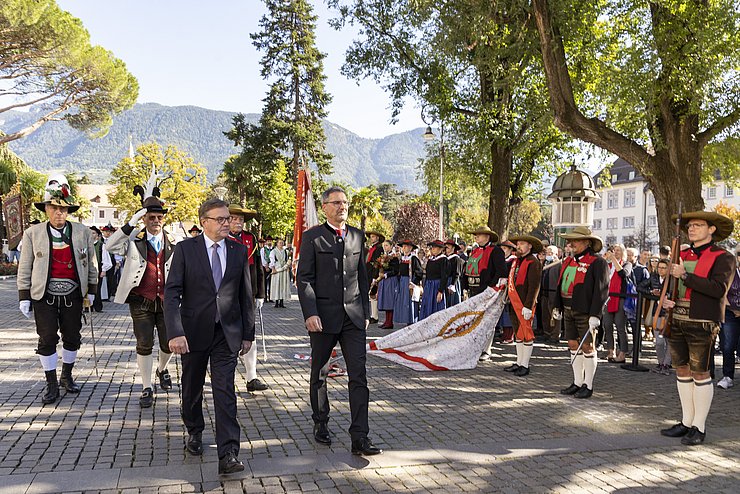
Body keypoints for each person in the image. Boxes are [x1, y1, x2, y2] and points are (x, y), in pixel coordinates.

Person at [165, 198, 255, 474]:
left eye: (228, 218)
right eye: (221, 219)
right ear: (204, 222)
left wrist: (248, 334)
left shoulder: (238, 251)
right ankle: (194, 429)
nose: (227, 223)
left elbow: (245, 295)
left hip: (226, 333)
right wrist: (176, 332)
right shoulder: (185, 250)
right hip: (192, 333)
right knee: (191, 386)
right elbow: (171, 293)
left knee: (225, 390)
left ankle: (228, 452)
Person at [297, 186, 381, 456]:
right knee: (320, 374)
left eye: (345, 202)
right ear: (325, 207)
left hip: (353, 319)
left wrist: (366, 311)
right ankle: (321, 423)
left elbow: (362, 277)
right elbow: (304, 279)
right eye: (336, 203)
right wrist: (310, 313)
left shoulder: (357, 236)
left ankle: (360, 436)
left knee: (359, 376)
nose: (342, 206)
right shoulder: (312, 237)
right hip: (323, 318)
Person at [17, 175, 98, 404]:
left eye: (62, 209)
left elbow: (92, 263)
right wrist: (24, 296)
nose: (58, 213)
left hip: (73, 294)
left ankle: (67, 375)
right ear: (46, 209)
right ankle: (51, 383)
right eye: (53, 208)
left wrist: (91, 289)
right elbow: (25, 266)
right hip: (44, 295)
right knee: (47, 338)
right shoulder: (33, 234)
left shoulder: (82, 232)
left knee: (72, 337)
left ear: (68, 210)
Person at [659, 211, 735, 445]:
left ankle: (699, 427)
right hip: (677, 318)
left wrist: (685, 276)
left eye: (698, 225)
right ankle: (686, 421)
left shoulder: (724, 257)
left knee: (701, 373)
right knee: (681, 371)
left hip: (702, 321)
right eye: (690, 226)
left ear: (712, 230)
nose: (691, 229)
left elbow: (718, 289)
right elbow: (669, 283)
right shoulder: (680, 253)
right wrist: (666, 299)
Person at [106, 196, 177, 408]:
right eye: (151, 217)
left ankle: (162, 369)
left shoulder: (174, 239)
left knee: (169, 344)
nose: (156, 220)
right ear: (144, 219)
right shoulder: (133, 239)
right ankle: (147, 387)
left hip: (167, 301)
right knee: (144, 344)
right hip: (141, 301)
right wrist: (131, 223)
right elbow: (109, 245)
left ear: (164, 219)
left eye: (159, 217)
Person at [553, 226, 609, 399]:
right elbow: (560, 284)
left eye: (575, 240)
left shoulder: (598, 262)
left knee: (587, 347)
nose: (571, 244)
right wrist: (557, 306)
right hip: (568, 310)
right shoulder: (568, 261)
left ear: (587, 242)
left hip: (585, 312)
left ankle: (588, 385)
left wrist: (596, 315)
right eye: (570, 241)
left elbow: (601, 291)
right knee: (572, 344)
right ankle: (577, 382)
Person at [227, 205, 268, 394]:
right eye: (234, 218)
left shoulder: (250, 239)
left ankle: (252, 377)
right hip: (226, 296)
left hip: (248, 294)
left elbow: (258, 267)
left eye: (241, 220)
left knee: (249, 334)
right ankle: (225, 377)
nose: (238, 222)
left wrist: (260, 294)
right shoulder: (220, 237)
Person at [463, 226, 508, 360]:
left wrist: (490, 288)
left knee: (487, 320)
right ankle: (475, 347)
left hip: (488, 290)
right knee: (475, 319)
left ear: (487, 237)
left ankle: (486, 349)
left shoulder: (496, 251)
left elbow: (501, 271)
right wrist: (466, 286)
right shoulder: (475, 251)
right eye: (476, 235)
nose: (476, 237)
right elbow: (468, 269)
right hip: (474, 289)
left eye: (479, 235)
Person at [503, 235, 543, 377]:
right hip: (514, 302)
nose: (518, 246)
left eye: (522, 244)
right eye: (518, 244)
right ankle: (519, 362)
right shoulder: (517, 262)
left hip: (525, 304)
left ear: (530, 246)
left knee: (526, 334)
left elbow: (534, 286)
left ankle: (525, 365)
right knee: (518, 334)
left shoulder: (533, 262)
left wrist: (528, 305)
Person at [603, 244, 631, 363]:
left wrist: (614, 259)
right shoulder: (609, 266)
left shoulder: (627, 264)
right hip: (608, 298)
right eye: (615, 250)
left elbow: (623, 274)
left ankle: (623, 352)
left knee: (620, 326)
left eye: (619, 250)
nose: (616, 252)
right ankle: (611, 350)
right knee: (607, 325)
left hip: (620, 298)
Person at [717, 245, 740, 390]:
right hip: (731, 313)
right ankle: (728, 376)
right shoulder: (730, 274)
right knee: (727, 345)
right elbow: (721, 293)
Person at [647, 259, 671, 374]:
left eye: (663, 268)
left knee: (669, 341)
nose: (661, 270)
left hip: (669, 314)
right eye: (659, 267)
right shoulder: (653, 277)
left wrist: (666, 294)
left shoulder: (672, 280)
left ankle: (666, 364)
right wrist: (652, 292)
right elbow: (640, 287)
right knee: (659, 342)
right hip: (657, 313)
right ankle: (660, 363)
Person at [393, 240, 423, 326]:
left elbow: (419, 272)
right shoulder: (401, 258)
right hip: (402, 282)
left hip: (410, 282)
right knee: (404, 302)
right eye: (403, 246)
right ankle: (407, 321)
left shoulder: (414, 258)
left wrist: (413, 283)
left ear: (410, 248)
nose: (404, 248)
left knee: (411, 302)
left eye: (406, 246)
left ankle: (412, 321)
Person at [419, 240, 449, 319]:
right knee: (427, 305)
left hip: (437, 286)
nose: (433, 249)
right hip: (429, 286)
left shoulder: (443, 260)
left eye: (435, 247)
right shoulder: (431, 259)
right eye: (432, 247)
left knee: (436, 306)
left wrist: (440, 291)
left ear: (440, 249)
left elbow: (444, 276)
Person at [539, 245, 563, 344]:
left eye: (551, 253)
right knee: (545, 315)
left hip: (554, 293)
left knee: (555, 316)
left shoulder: (559, 264)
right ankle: (547, 333)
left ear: (556, 254)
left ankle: (555, 335)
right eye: (547, 253)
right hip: (544, 292)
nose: (548, 255)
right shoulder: (545, 263)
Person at [377, 240, 399, 329]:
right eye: (384, 246)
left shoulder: (394, 257)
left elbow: (396, 271)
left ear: (391, 246)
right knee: (386, 301)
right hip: (385, 280)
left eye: (386, 245)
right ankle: (387, 321)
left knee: (390, 300)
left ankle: (390, 322)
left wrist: (386, 275)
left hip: (390, 280)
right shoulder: (384, 256)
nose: (385, 247)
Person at [90, 226, 112, 312]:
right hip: (87, 268)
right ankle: (89, 306)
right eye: (90, 233)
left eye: (93, 233)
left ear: (98, 235)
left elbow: (105, 258)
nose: (91, 235)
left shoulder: (101, 246)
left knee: (97, 288)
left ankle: (98, 306)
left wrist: (103, 270)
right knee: (88, 288)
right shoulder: (85, 244)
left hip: (98, 267)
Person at [365, 231, 385, 324]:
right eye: (371, 237)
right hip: (369, 272)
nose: (371, 238)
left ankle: (375, 316)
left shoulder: (379, 248)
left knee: (373, 294)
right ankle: (372, 315)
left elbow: (377, 263)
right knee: (371, 295)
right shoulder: (372, 248)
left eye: (373, 237)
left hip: (374, 273)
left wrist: (375, 277)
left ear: (377, 238)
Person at [269, 238, 291, 308]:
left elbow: (288, 259)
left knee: (283, 285)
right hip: (277, 268)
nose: (281, 244)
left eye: (282, 243)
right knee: (277, 285)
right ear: (277, 243)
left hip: (284, 269)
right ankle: (276, 302)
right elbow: (272, 260)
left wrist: (287, 267)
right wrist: (273, 269)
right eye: (280, 243)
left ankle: (281, 301)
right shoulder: (273, 251)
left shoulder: (286, 251)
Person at [444, 239, 464, 307]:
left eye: (449, 246)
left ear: (453, 247)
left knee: (453, 302)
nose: (447, 247)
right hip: (445, 281)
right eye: (446, 246)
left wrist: (452, 284)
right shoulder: (444, 258)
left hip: (452, 281)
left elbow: (457, 272)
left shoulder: (456, 258)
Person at [261, 236, 274, 302]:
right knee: (265, 282)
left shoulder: (274, 249)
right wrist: (266, 266)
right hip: (265, 267)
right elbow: (262, 258)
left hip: (272, 267)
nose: (269, 242)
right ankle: (265, 297)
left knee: (272, 283)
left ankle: (271, 297)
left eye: (270, 241)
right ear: (266, 242)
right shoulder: (263, 249)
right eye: (268, 241)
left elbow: (274, 259)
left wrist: (271, 266)